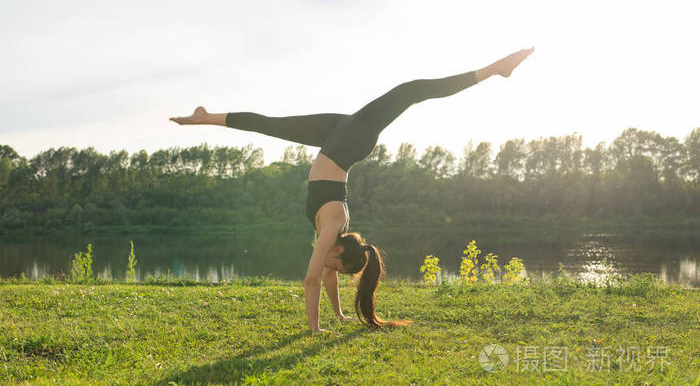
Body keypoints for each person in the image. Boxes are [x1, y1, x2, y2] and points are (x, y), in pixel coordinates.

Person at [170, 47, 534, 333]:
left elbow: (324, 275)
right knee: (411, 91)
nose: (329, 264)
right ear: (342, 251)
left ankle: (205, 118)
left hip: (338, 139)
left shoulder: (335, 236)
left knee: (271, 126)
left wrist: (340, 316)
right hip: (348, 141)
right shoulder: (333, 226)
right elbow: (313, 278)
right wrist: (314, 329)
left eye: (334, 266)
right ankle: (494, 69)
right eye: (338, 264)